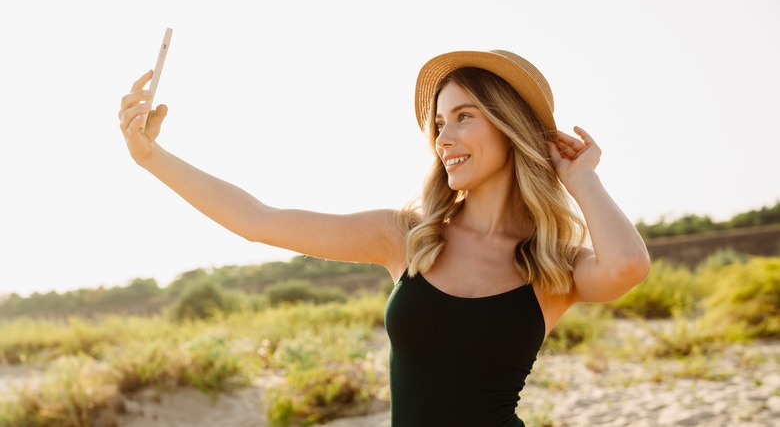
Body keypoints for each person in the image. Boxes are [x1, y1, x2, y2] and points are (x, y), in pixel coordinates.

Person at [118, 49, 650, 426]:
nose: (444, 137)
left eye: (464, 117)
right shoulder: (407, 237)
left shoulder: (551, 266)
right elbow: (259, 220)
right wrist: (151, 158)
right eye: (438, 122)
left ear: (510, 126)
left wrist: (581, 179)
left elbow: (628, 267)